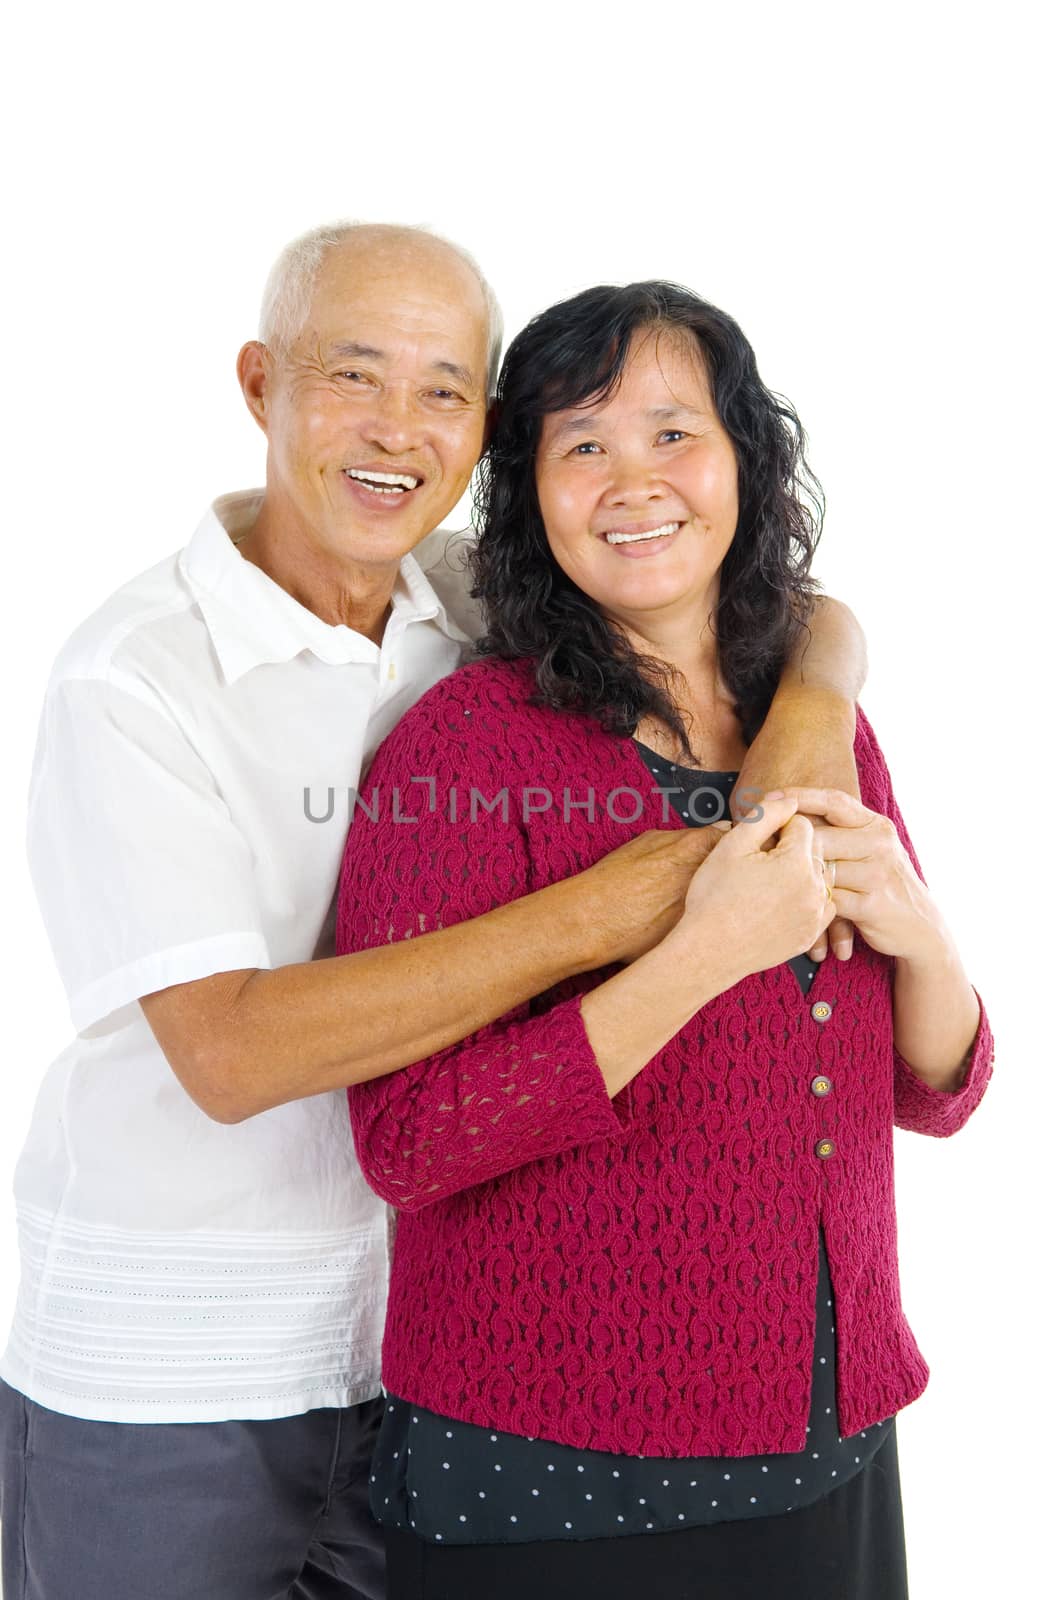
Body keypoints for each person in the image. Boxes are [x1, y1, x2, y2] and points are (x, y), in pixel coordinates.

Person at [0, 231, 869, 1600]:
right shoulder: (133, 678)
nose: (397, 430)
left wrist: (816, 709)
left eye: (447, 391)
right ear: (258, 384)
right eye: (355, 376)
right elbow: (229, 1056)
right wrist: (614, 915)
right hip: (177, 1373)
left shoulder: (460, 596)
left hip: (417, 1361)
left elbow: (745, 584)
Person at [336, 281, 994, 1600]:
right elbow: (406, 1142)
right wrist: (698, 954)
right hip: (550, 1484)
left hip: (831, 1446)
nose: (632, 480)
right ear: (531, 493)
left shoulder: (824, 729)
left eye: (671, 433)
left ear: (746, 457)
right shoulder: (464, 748)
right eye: (582, 445)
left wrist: (923, 934)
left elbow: (933, 1090)